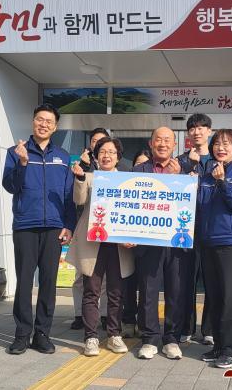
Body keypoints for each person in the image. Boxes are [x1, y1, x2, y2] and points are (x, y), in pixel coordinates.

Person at [2, 103, 77, 355]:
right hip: (25, 225)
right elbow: (10, 186)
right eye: (39, 119)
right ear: (33, 121)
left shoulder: (63, 157)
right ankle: (22, 334)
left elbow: (68, 196)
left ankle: (42, 334)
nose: (43, 124)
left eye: (49, 121)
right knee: (24, 282)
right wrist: (23, 163)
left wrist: (69, 225)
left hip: (54, 228)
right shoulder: (16, 152)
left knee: (48, 282)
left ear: (55, 127)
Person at [68, 137, 135, 356]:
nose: (107, 156)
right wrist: (79, 178)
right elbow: (79, 200)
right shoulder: (89, 177)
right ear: (96, 156)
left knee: (116, 292)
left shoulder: (127, 181)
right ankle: (91, 337)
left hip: (118, 245)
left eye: (111, 152)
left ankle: (114, 334)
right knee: (91, 291)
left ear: (118, 157)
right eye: (103, 152)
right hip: (93, 244)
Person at [197, 129, 232, 369]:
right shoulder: (206, 175)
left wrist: (222, 183)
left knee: (231, 297)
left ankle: (231, 349)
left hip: (231, 242)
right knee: (215, 296)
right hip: (208, 241)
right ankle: (218, 345)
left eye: (226, 144)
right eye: (217, 144)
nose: (221, 148)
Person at [132, 127, 189, 360]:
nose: (162, 144)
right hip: (149, 241)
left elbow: (192, 203)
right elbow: (132, 204)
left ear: (174, 145)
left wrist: (178, 178)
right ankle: (150, 338)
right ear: (151, 143)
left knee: (176, 291)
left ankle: (172, 338)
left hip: (177, 241)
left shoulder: (185, 171)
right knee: (148, 290)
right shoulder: (138, 170)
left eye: (167, 140)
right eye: (158, 140)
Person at [177, 113, 214, 346]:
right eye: (192, 128)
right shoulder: (180, 160)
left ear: (209, 131)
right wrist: (188, 167)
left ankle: (209, 329)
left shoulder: (218, 158)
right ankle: (186, 327)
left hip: (212, 228)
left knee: (211, 280)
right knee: (186, 281)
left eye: (201, 127)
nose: (196, 131)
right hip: (186, 229)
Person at [70, 127, 110, 331]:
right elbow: (77, 198)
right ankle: (80, 314)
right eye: (95, 141)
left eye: (103, 142)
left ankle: (104, 316)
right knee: (82, 275)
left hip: (108, 232)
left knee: (104, 281)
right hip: (86, 231)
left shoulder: (117, 169)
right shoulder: (81, 165)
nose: (99, 146)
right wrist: (82, 170)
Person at [121, 149, 152, 338]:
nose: (141, 168)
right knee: (128, 285)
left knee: (146, 286)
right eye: (138, 164)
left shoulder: (157, 189)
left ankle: (143, 322)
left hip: (149, 245)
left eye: (145, 164)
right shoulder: (127, 186)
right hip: (128, 244)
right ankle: (128, 320)